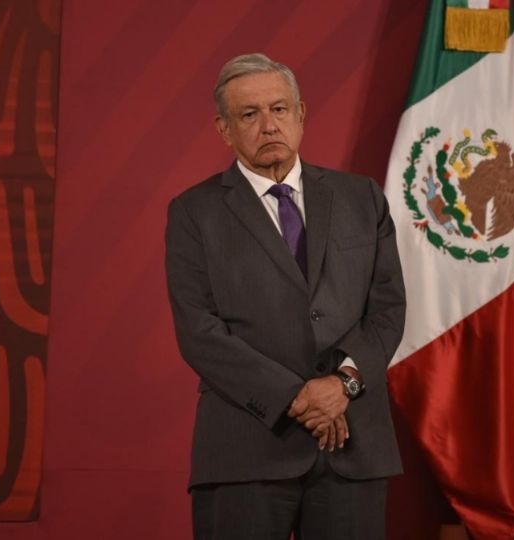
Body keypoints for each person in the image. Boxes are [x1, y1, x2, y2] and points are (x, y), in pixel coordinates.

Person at [165, 52, 406, 540]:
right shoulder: (194, 212)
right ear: (223, 129)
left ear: (301, 115)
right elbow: (200, 331)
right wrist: (297, 397)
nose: (268, 125)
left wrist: (342, 386)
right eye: (249, 114)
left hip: (352, 446)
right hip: (246, 451)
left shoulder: (362, 199)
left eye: (279, 109)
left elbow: (387, 311)